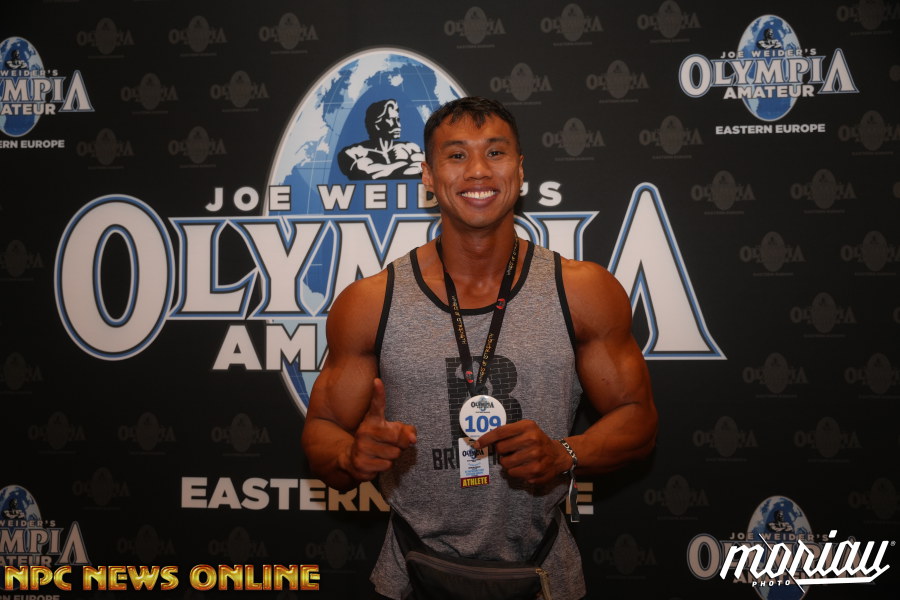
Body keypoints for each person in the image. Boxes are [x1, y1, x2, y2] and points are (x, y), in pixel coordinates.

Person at [302, 96, 657, 599]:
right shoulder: (369, 301)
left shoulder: (583, 291)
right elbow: (321, 429)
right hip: (410, 574)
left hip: (545, 572)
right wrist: (349, 456)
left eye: (495, 152)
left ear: (520, 169)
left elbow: (638, 420)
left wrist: (565, 453)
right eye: (456, 155)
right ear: (428, 176)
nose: (477, 171)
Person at [338, 99, 425, 180]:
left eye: (397, 120)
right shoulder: (354, 152)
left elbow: (424, 172)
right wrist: (402, 163)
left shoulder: (410, 149)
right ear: (377, 124)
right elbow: (367, 173)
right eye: (391, 119)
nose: (398, 125)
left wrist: (388, 169)